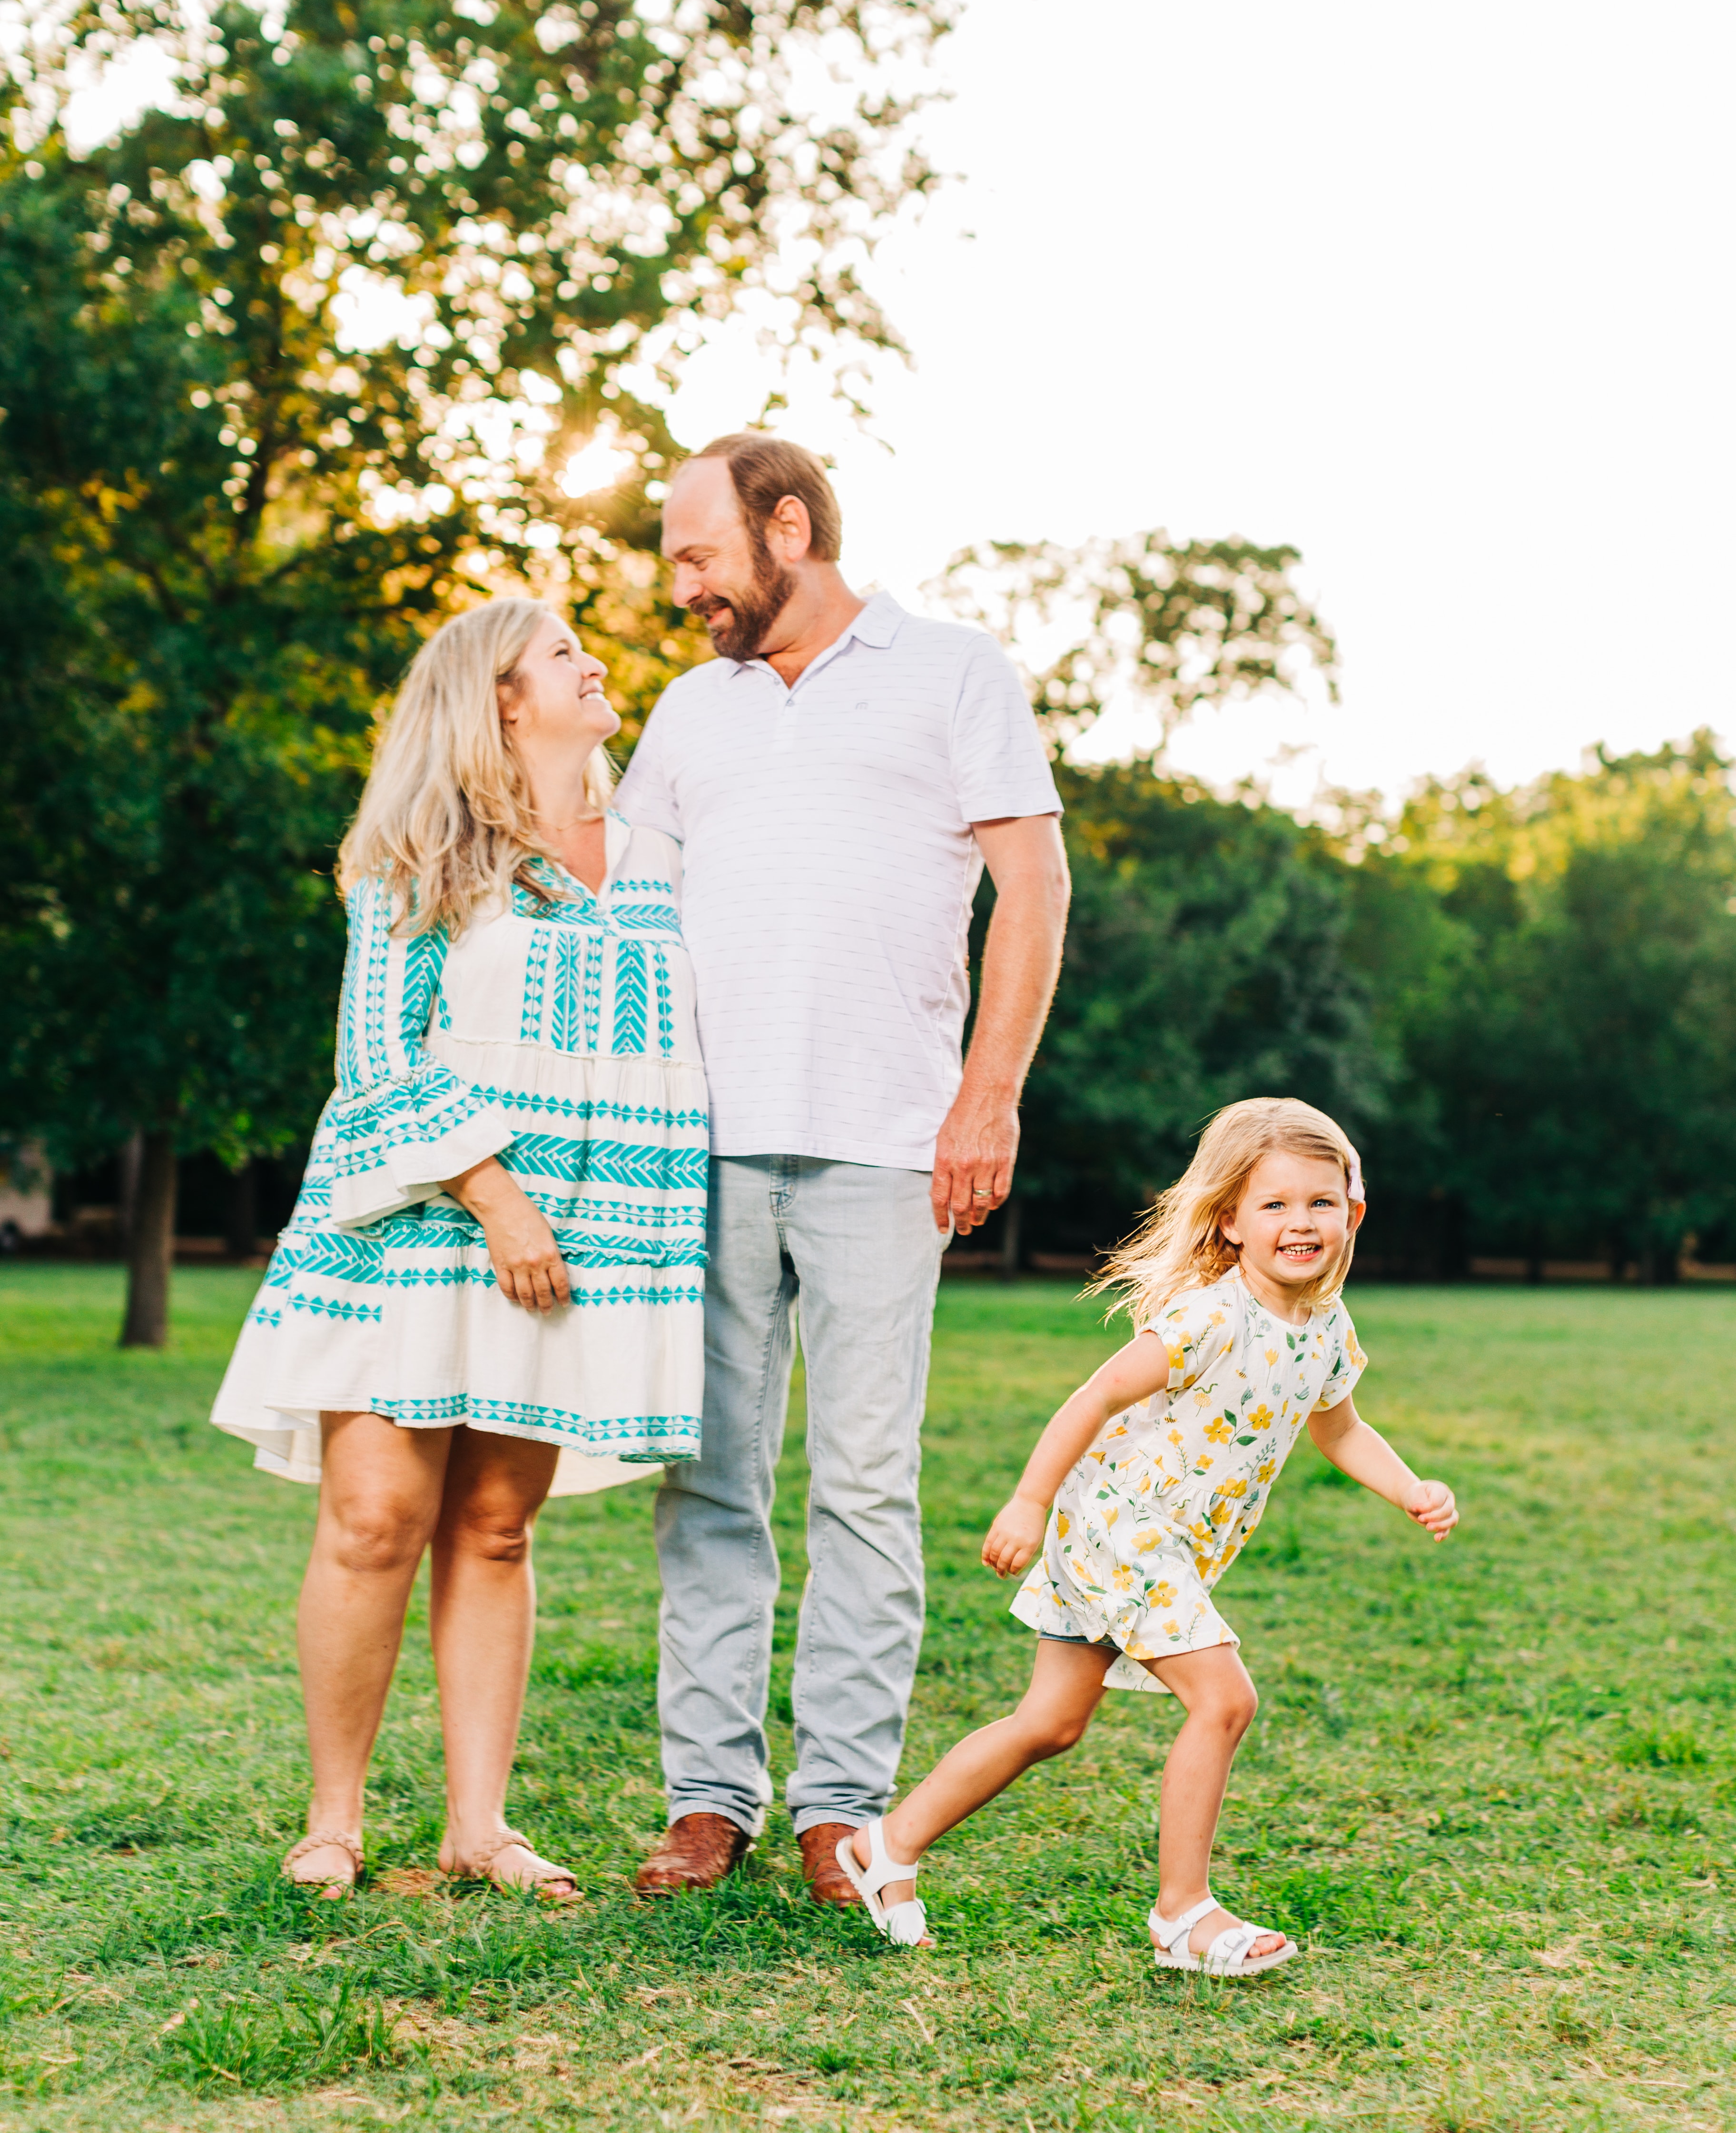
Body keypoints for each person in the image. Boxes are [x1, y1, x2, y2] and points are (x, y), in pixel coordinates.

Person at [615, 433, 1070, 1901]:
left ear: (789, 527)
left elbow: (1034, 883)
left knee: (867, 1486)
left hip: (887, 1144)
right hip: (706, 1148)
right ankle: (708, 1800)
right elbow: (624, 919)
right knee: (709, 1483)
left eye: (698, 553)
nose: (681, 584)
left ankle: (840, 1806)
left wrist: (984, 1097)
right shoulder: (688, 713)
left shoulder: (951, 673)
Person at [210, 597, 707, 1898]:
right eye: (561, 653)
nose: (594, 663)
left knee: (495, 1526)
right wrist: (496, 1194)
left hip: (590, 1233)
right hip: (425, 1220)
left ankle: (478, 1826)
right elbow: (374, 1057)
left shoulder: (661, 850)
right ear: (496, 695)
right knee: (375, 1516)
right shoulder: (418, 855)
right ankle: (334, 1818)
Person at [834, 1097, 1460, 1972]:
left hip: (1166, 1547)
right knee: (1224, 1699)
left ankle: (884, 1847)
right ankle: (1183, 1917)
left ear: (1353, 1213)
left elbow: (1341, 1430)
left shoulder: (1327, 1329)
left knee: (1050, 1723)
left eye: (1320, 1202)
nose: (1301, 1222)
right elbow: (1095, 1398)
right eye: (1275, 1204)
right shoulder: (1209, 1316)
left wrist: (1412, 1488)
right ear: (1232, 1222)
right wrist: (1026, 1502)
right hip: (1120, 1531)